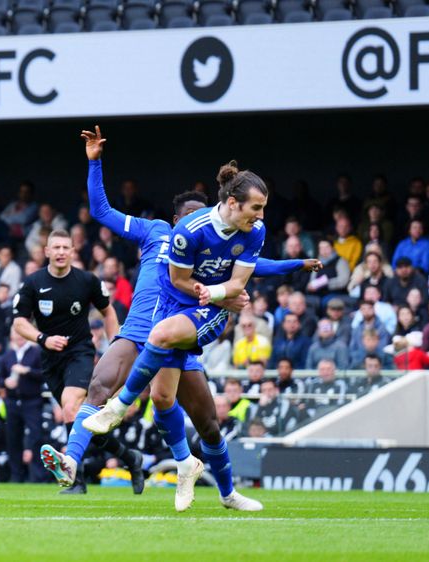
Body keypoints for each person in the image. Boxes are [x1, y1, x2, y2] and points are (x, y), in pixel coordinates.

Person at [48, 127, 315, 508]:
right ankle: (71, 461)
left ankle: (223, 488)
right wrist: (95, 163)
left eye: (201, 213)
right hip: (140, 329)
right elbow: (101, 211)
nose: (195, 221)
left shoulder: (217, 246)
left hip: (183, 331)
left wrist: (290, 266)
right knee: (100, 385)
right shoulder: (155, 232)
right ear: (176, 219)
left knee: (205, 421)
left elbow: (254, 266)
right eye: (188, 216)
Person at [86, 155, 268, 512]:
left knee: (202, 413)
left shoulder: (243, 235)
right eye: (256, 208)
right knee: (163, 399)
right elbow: (177, 280)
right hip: (174, 315)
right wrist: (213, 291)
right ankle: (190, 469)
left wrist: (222, 294)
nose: (260, 216)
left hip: (201, 320)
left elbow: (243, 277)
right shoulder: (180, 234)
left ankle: (120, 407)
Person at [13, 226, 125, 495]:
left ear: (73, 251)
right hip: (50, 359)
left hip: (80, 353)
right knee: (74, 417)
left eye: (66, 248)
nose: (61, 252)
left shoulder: (87, 281)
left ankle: (76, 480)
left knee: (70, 406)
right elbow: (18, 323)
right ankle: (127, 456)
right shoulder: (33, 283)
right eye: (57, 247)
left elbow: (108, 313)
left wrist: (115, 346)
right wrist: (42, 339)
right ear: (47, 251)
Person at [0, 328, 45, 483]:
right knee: (13, 439)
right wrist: (5, 382)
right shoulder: (7, 356)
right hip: (12, 402)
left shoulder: (36, 353)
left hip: (32, 401)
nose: (18, 338)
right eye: (15, 335)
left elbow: (44, 374)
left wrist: (27, 371)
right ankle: (16, 475)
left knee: (36, 436)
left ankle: (38, 476)